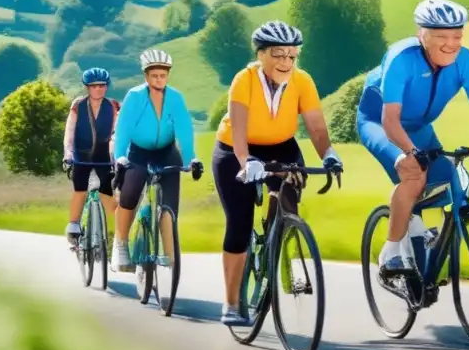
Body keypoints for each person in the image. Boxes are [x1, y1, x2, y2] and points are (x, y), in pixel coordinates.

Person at [356, 0, 469, 273]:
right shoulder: (402, 58)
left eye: (457, 36)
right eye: (441, 37)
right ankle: (390, 253)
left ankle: (415, 224)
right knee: (414, 173)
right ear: (421, 35)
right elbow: (390, 120)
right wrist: (411, 153)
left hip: (420, 128)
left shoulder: (466, 61)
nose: (451, 43)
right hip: (380, 123)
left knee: (447, 178)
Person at [211, 20, 343, 326]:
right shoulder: (244, 80)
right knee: (239, 223)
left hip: (282, 147)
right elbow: (240, 132)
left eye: (291, 56)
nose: (285, 62)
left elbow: (316, 125)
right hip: (235, 150)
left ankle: (278, 240)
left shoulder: (302, 81)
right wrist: (247, 162)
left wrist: (329, 154)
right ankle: (231, 303)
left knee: (288, 199)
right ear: (261, 55)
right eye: (278, 54)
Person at [111, 48, 203, 271]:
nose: (159, 79)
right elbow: (123, 130)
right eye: (154, 75)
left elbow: (184, 130)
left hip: (166, 151)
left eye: (163, 75)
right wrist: (120, 157)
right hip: (138, 152)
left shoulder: (175, 98)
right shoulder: (134, 97)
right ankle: (120, 243)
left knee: (169, 206)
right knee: (130, 192)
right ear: (146, 76)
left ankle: (170, 256)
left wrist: (191, 159)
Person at [61, 67, 121, 241]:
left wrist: (116, 156)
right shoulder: (78, 105)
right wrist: (68, 154)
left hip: (104, 156)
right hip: (81, 155)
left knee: (108, 192)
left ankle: (115, 235)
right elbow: (69, 132)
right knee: (80, 189)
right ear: (87, 87)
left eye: (102, 85)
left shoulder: (113, 106)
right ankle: (74, 224)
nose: (99, 89)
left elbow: (117, 133)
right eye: (94, 86)